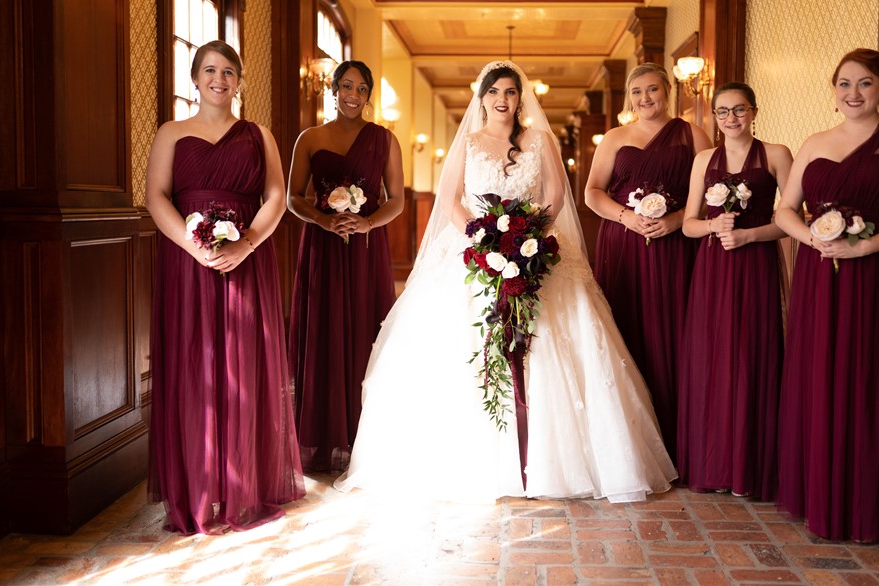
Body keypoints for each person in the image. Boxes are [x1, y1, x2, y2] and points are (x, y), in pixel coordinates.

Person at [335, 60, 677, 503]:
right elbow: (452, 199)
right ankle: (480, 462)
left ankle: (557, 460)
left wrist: (530, 236)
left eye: (511, 93)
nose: (502, 99)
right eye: (494, 92)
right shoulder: (470, 143)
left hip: (535, 249)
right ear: (482, 98)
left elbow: (556, 195)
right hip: (474, 251)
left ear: (520, 99)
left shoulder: (540, 141)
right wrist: (481, 238)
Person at [145, 40, 305, 534]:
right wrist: (196, 249)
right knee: (194, 365)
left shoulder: (260, 135)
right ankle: (197, 485)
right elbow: (156, 197)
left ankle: (243, 485)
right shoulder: (171, 133)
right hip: (187, 262)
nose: (220, 78)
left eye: (229, 71)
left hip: (247, 259)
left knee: (244, 363)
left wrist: (248, 243)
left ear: (240, 81)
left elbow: (276, 195)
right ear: (195, 78)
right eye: (210, 70)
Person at [775, 49, 879, 542]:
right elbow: (784, 210)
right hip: (820, 275)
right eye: (844, 84)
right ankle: (819, 495)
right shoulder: (815, 142)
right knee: (819, 377)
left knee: (870, 380)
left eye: (865, 84)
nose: (853, 94)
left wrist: (865, 250)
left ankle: (870, 504)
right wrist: (814, 240)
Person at [584, 63, 713, 463]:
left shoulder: (692, 134)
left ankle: (678, 442)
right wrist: (627, 217)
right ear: (629, 96)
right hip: (622, 246)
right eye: (637, 91)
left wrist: (674, 222)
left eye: (653, 90)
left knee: (673, 332)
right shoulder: (614, 138)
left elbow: (709, 192)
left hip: (676, 249)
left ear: (669, 90)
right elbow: (592, 192)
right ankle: (630, 444)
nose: (645, 98)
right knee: (627, 330)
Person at [287, 60, 405, 472]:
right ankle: (321, 435)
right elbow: (293, 198)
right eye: (346, 86)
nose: (353, 95)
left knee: (364, 328)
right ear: (333, 90)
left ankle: (365, 434)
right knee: (323, 330)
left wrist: (367, 222)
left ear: (369, 95)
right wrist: (323, 219)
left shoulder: (385, 140)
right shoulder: (310, 137)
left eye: (361, 89)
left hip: (366, 249)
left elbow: (397, 200)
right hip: (321, 246)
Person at [677, 82, 792, 500]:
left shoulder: (776, 154)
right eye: (723, 111)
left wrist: (750, 236)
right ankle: (713, 464)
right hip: (712, 268)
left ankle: (751, 468)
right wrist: (713, 226)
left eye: (739, 110)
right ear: (715, 116)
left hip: (756, 263)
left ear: (754, 112)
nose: (731, 118)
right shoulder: (704, 160)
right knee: (713, 358)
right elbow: (688, 223)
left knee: (751, 355)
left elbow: (792, 219)